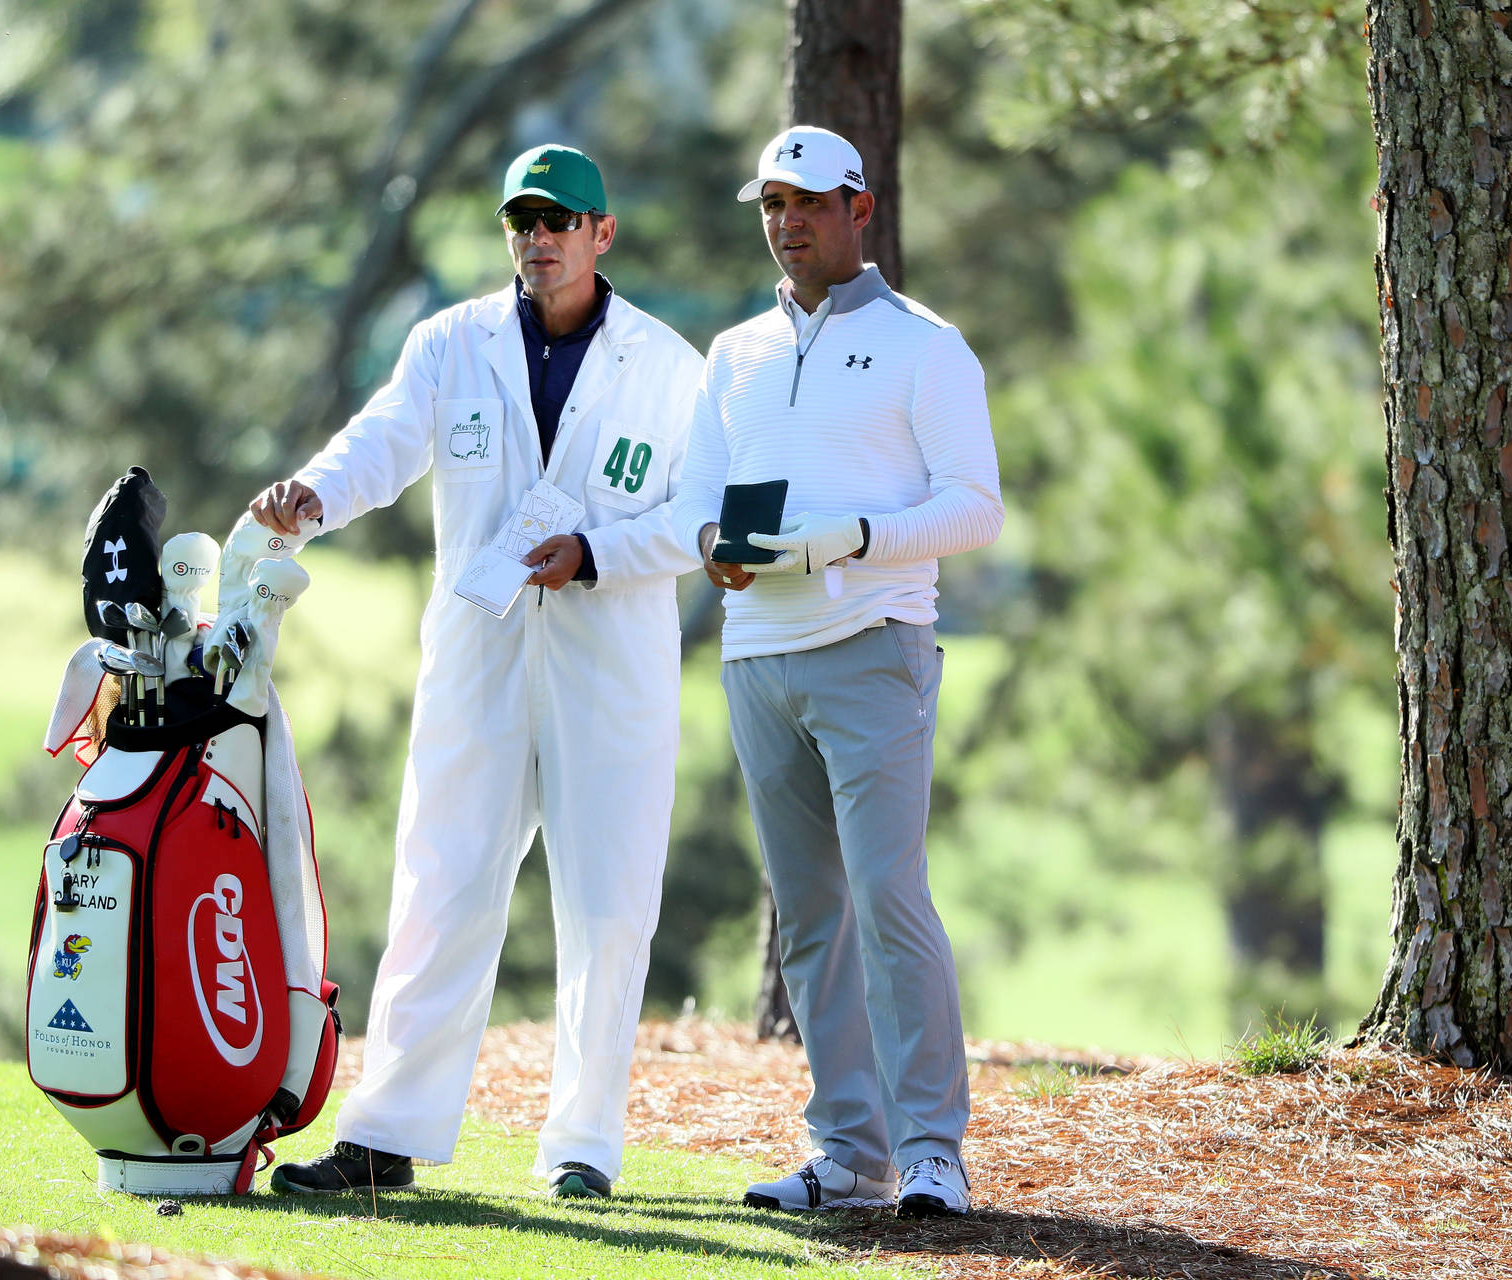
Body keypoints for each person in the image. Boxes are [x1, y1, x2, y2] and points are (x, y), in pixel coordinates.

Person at [252, 143, 704, 1199]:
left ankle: (584, 1145)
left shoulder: (669, 367)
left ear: (603, 234)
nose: (538, 240)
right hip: (478, 657)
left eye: (560, 221)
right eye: (522, 221)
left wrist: (599, 551)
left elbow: (699, 517)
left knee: (607, 905)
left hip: (610, 667)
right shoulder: (450, 343)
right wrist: (312, 497)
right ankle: (385, 1132)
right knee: (439, 883)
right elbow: (382, 442)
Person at [672, 125, 1004, 1218]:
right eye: (771, 203)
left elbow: (974, 505)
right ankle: (849, 1151)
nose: (787, 221)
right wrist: (717, 544)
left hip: (874, 648)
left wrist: (853, 535)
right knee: (810, 914)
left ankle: (931, 1152)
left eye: (809, 201)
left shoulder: (924, 343)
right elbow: (696, 503)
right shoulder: (734, 353)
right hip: (758, 657)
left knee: (889, 895)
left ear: (861, 209)